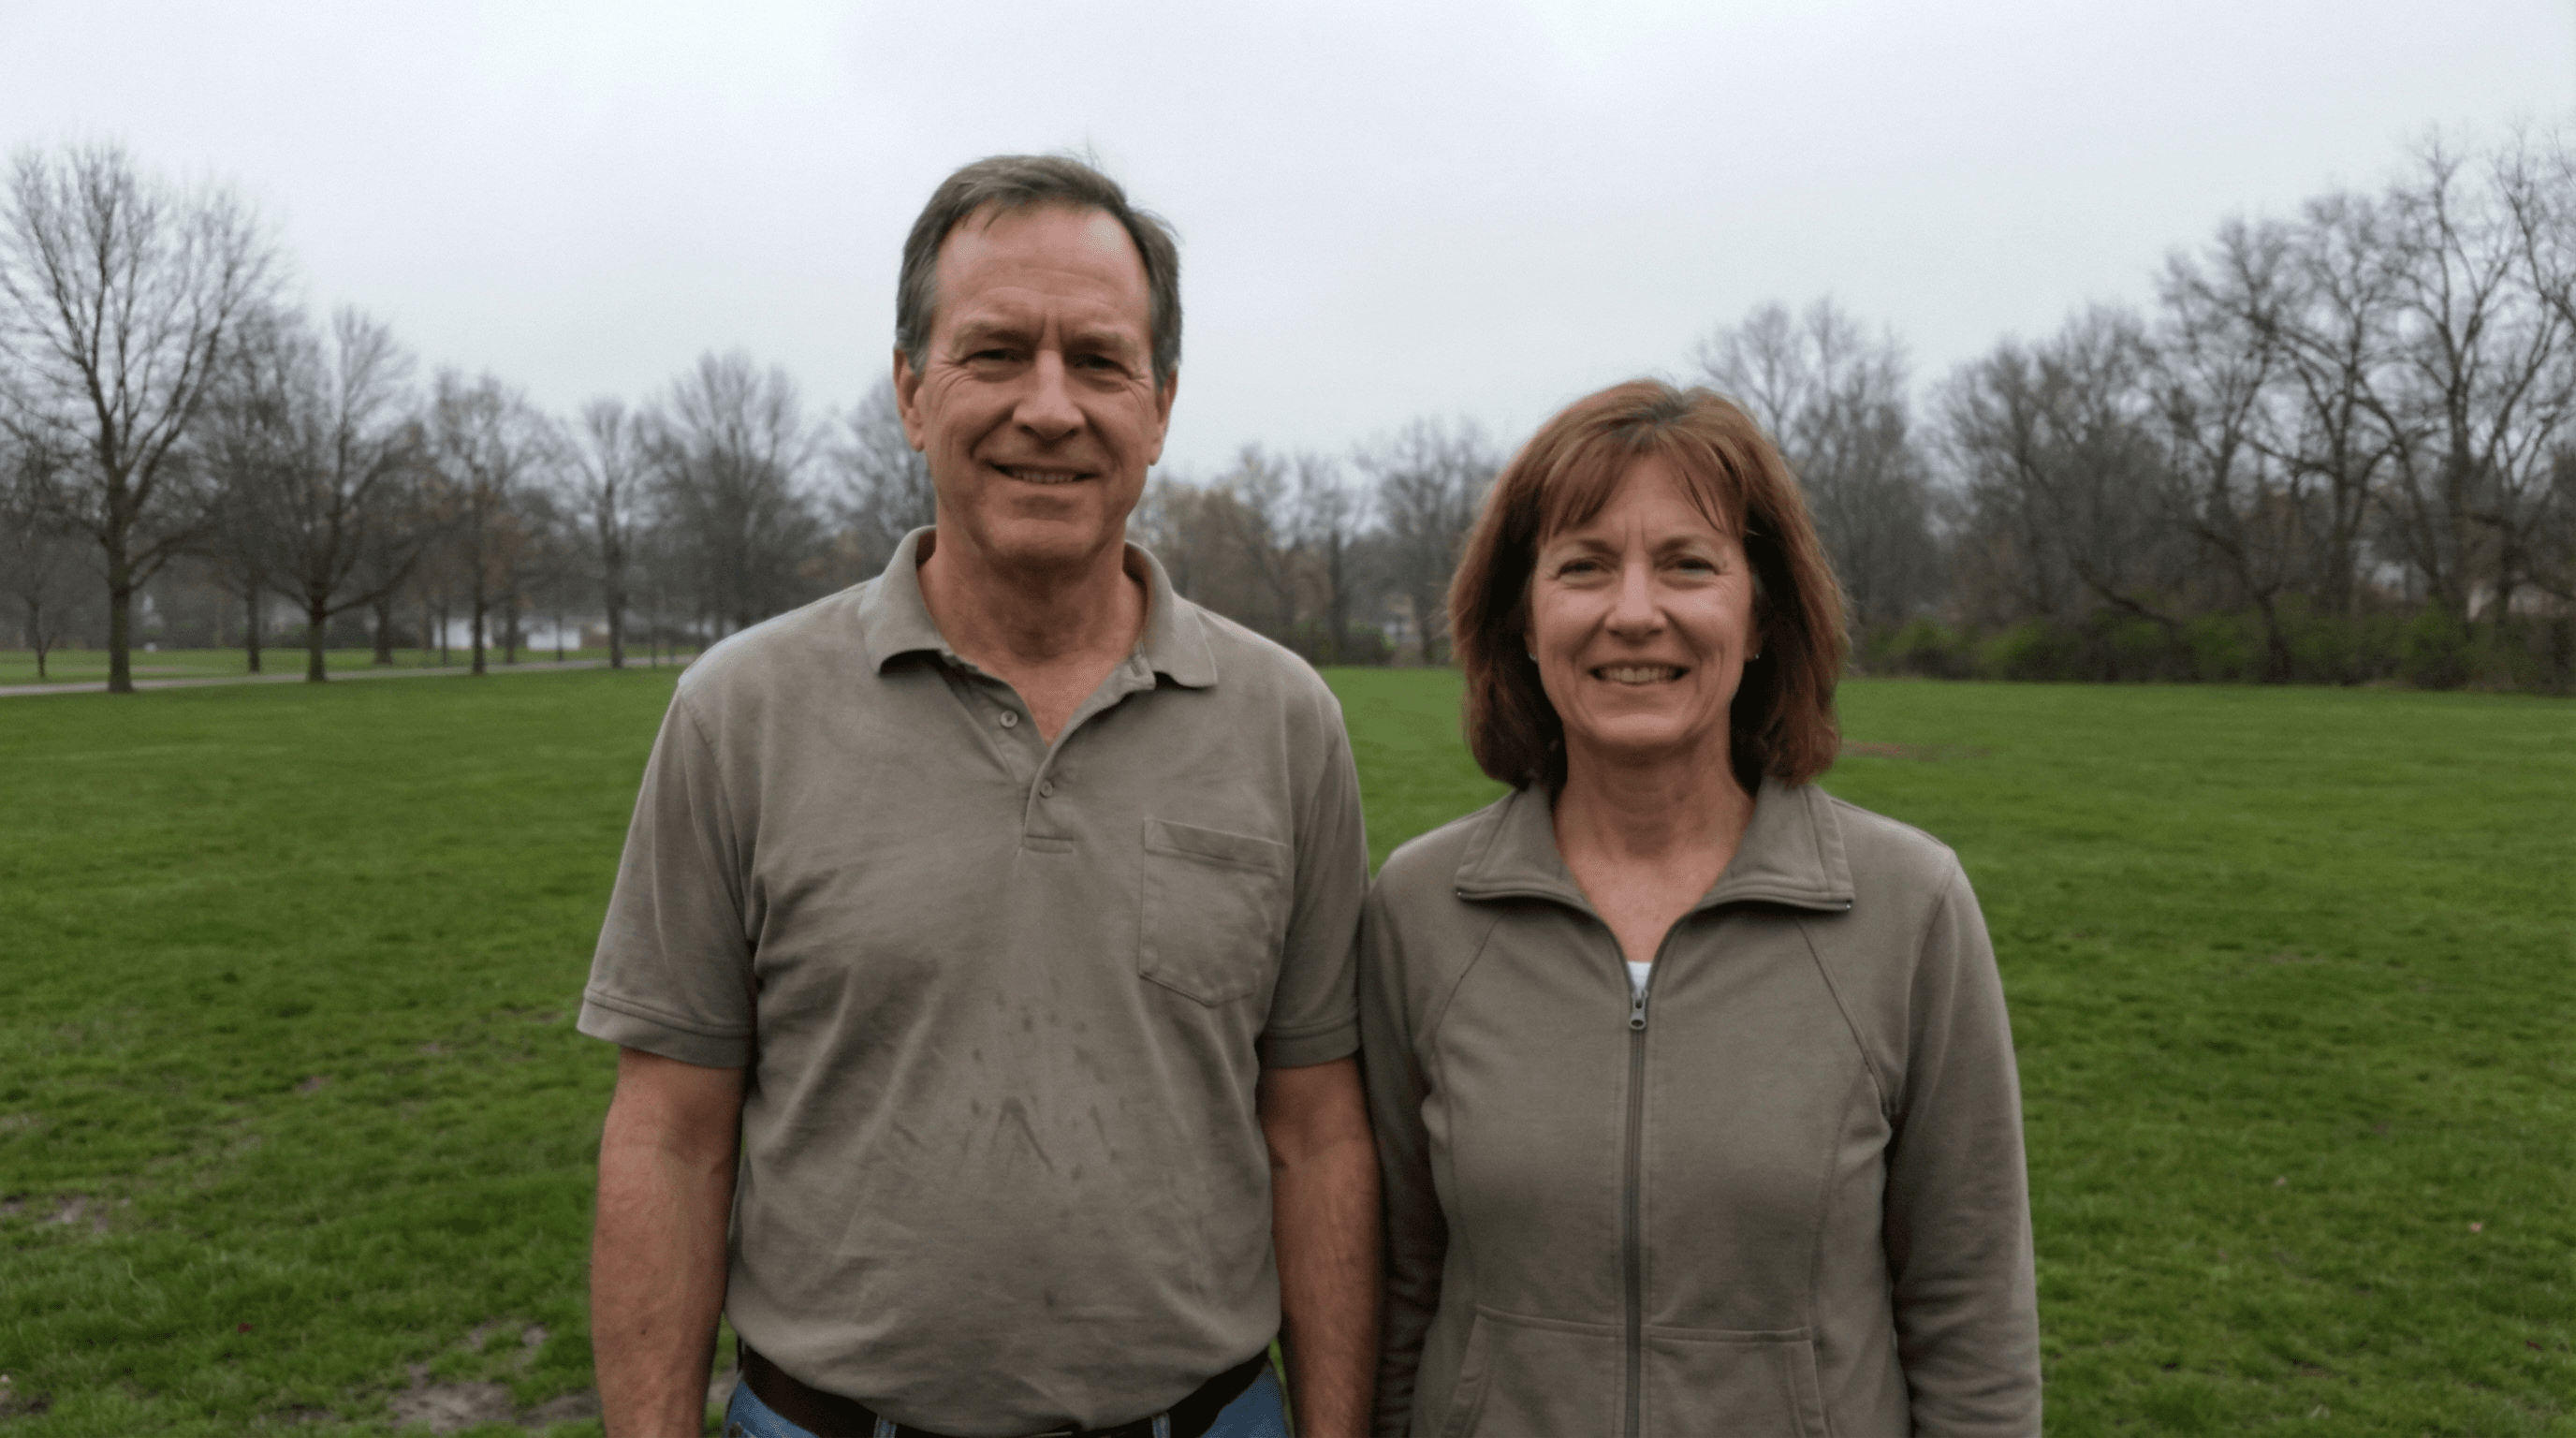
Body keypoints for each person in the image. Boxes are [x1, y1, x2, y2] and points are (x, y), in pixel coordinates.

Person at [578, 154, 1379, 1438]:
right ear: (910, 390)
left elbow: (1319, 1132)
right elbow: (670, 1135)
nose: (1049, 408)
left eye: (1101, 361)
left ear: (1162, 405)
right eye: (995, 353)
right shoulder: (741, 713)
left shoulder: (1287, 724)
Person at [1360, 380, 2039, 1436]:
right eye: (1582, 566)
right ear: (1524, 622)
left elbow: (1971, 1315)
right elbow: (1400, 1292)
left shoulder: (1909, 908)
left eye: (1688, 564)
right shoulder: (1418, 908)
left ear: (1761, 612)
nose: (1635, 612)